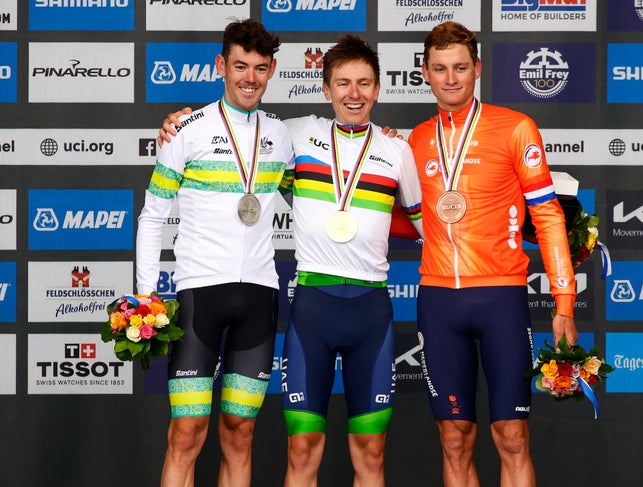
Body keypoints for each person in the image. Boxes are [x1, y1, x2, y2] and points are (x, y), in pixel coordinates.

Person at [157, 35, 423, 487]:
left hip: (372, 308)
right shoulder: (291, 133)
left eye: (363, 83)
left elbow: (424, 228)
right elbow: (237, 127)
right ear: (325, 88)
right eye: (342, 83)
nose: (353, 93)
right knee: (301, 449)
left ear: (379, 89)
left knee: (372, 452)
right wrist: (177, 122)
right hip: (311, 306)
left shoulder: (400, 151)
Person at [408, 21, 578, 487]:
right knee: (454, 437)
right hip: (438, 300)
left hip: (501, 297)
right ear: (424, 72)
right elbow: (406, 218)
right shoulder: (414, 141)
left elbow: (546, 215)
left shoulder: (516, 127)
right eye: (440, 69)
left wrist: (564, 300)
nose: (450, 78)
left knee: (512, 435)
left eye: (460, 67)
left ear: (477, 68)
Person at [137, 18, 294, 486]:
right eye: (240, 66)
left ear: (272, 70)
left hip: (259, 298)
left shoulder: (283, 136)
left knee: (240, 431)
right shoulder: (186, 130)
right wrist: (146, 297)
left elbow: (315, 186)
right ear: (221, 65)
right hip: (197, 299)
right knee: (187, 433)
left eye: (260, 68)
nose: (250, 78)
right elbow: (152, 216)